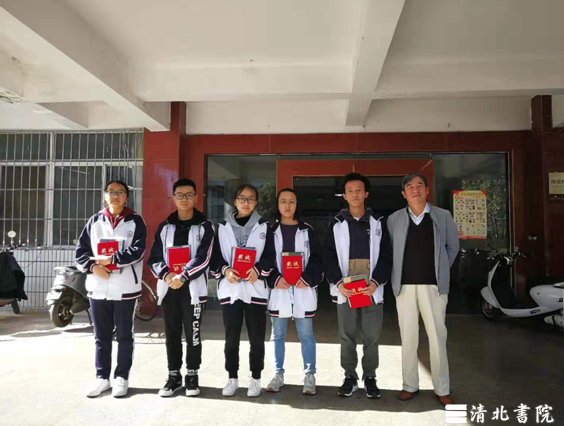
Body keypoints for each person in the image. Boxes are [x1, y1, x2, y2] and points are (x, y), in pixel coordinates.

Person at [386, 172, 459, 406]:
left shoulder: (442, 216)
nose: (415, 189)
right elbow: (390, 251)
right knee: (408, 337)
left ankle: (442, 388)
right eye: (410, 186)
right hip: (404, 287)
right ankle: (409, 385)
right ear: (403, 194)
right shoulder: (394, 219)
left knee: (437, 336)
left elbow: (452, 246)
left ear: (427, 190)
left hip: (433, 287)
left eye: (419, 185)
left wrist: (441, 269)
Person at [75, 179, 147, 398]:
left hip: (125, 288)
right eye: (111, 191)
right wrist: (93, 267)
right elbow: (81, 253)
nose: (115, 195)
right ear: (105, 196)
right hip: (98, 287)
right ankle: (102, 378)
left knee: (124, 335)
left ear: (127, 197)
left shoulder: (136, 221)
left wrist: (112, 260)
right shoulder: (95, 221)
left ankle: (121, 377)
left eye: (120, 192)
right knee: (101, 336)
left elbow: (138, 251)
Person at [323, 172, 391, 399]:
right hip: (346, 288)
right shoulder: (336, 224)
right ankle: (350, 376)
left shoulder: (379, 222)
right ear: (344, 195)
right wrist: (337, 282)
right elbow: (328, 256)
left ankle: (370, 376)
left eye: (359, 190)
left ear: (366, 194)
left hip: (371, 288)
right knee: (347, 336)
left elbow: (386, 256)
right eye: (350, 190)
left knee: (372, 336)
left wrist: (376, 281)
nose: (355, 194)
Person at [148, 178, 215, 397]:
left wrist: (183, 276)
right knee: (171, 334)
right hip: (169, 288)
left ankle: (192, 374)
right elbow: (155, 257)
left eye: (188, 195)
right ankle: (174, 375)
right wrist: (167, 275)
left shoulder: (206, 226)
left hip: (192, 289)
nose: (184, 199)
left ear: (196, 198)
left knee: (193, 334)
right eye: (180, 195)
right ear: (173, 198)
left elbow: (204, 257)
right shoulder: (165, 227)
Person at [210, 184, 275, 398]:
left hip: (255, 289)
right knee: (231, 337)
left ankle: (255, 378)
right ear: (235, 201)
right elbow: (215, 257)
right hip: (231, 289)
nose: (246, 203)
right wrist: (225, 270)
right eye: (242, 198)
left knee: (257, 337)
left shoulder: (265, 226)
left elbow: (271, 256)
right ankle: (232, 378)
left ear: (256, 202)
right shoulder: (221, 227)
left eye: (250, 199)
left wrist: (258, 270)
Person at [265, 188, 324, 395]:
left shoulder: (307, 230)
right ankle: (277, 374)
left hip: (302, 289)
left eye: (291, 201)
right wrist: (274, 278)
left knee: (306, 335)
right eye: (283, 201)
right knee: (277, 335)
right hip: (279, 289)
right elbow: (265, 259)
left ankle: (309, 375)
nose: (287, 205)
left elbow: (317, 259)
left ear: (297, 204)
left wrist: (307, 277)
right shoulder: (270, 231)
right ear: (278, 205)